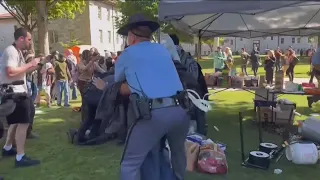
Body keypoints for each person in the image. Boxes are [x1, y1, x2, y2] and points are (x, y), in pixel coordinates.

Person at [116, 14, 189, 180]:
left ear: (132, 37)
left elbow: (118, 79)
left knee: (129, 164)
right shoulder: (163, 50)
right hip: (180, 110)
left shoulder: (128, 53)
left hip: (153, 113)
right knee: (177, 156)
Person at [0, 27, 41, 167]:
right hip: (15, 92)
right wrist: (30, 63)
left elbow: (21, 72)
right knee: (23, 123)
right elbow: (10, 71)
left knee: (16, 123)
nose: (30, 42)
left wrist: (37, 65)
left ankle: (8, 148)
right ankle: (20, 157)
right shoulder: (11, 51)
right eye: (29, 39)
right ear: (21, 39)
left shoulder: (17, 52)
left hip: (18, 91)